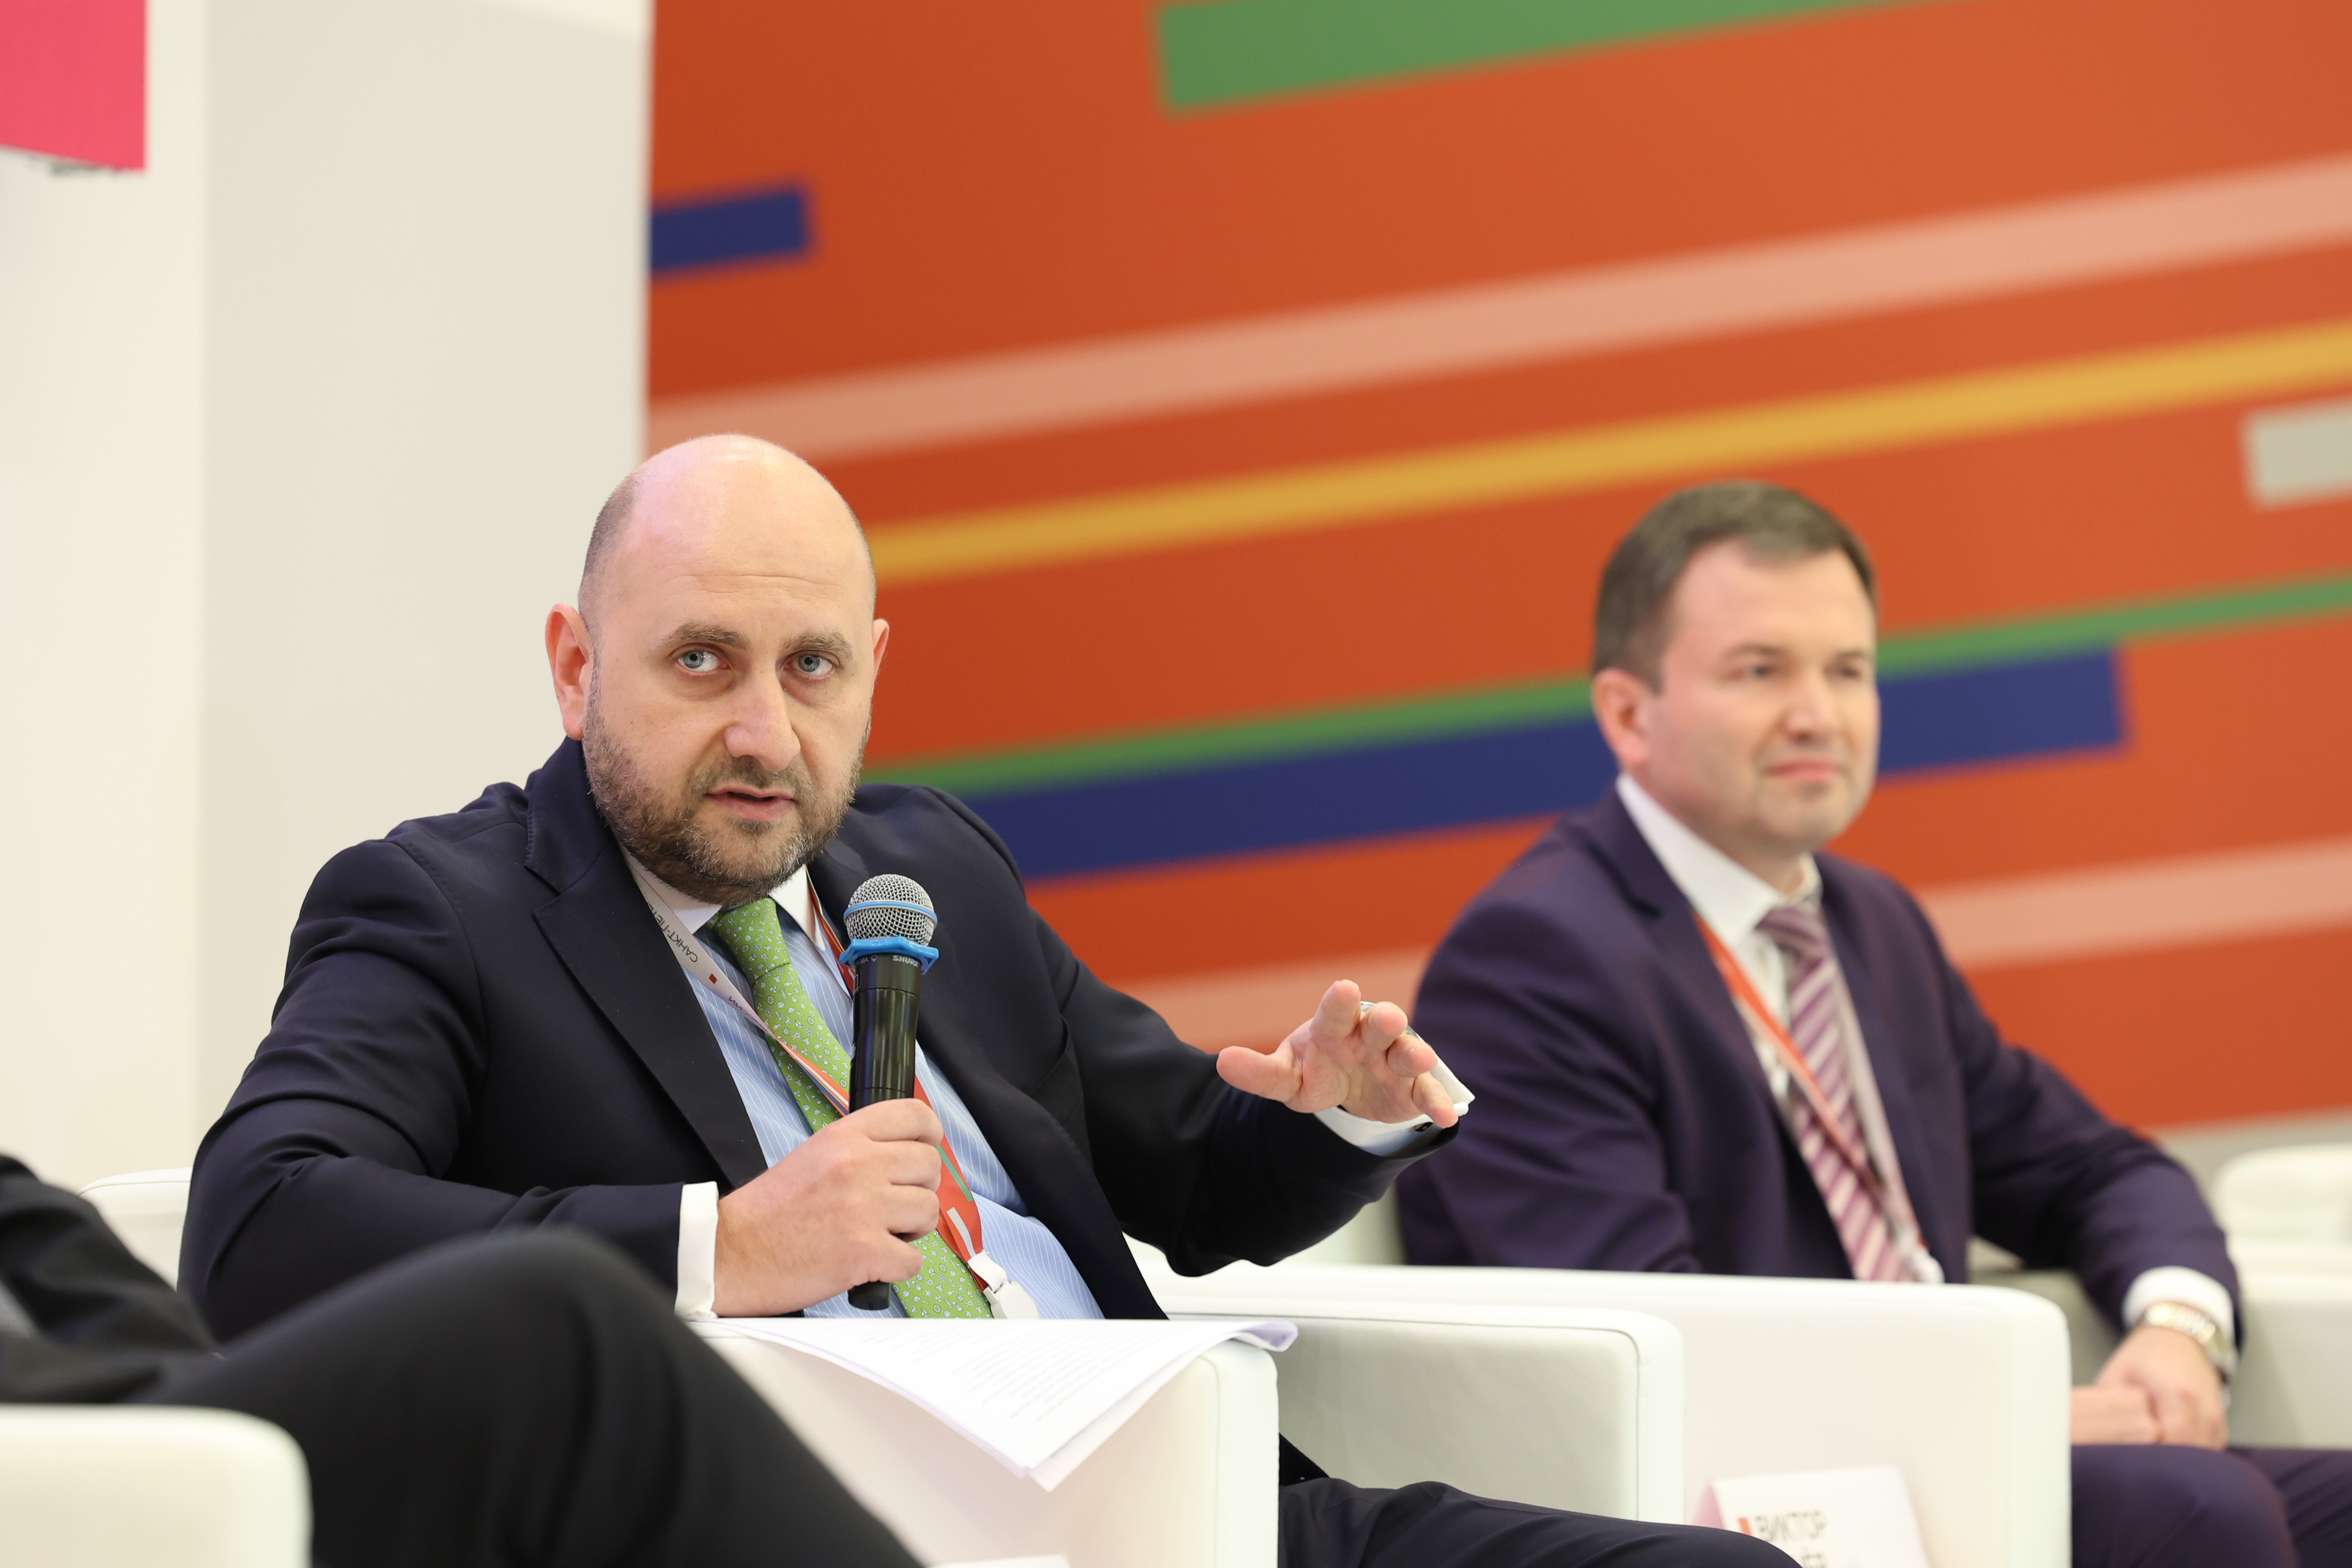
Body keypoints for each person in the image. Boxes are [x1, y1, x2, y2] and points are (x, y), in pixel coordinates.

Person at [181, 435, 1779, 1568]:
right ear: (575, 664)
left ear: (873, 667)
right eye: (701, 662)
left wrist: (1335, 1115)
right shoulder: (447, 909)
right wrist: (731, 1246)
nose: (765, 730)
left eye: (812, 668)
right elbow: (260, 1223)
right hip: (851, 1526)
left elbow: (1191, 1170)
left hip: (1195, 1510)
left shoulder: (925, 867)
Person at [1398, 479, 2352, 1566]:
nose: (1819, 714)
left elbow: (2096, 1169)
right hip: (1742, 1491)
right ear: (1627, 714)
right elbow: (1650, 1341)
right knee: (2200, 1509)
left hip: (1941, 1452)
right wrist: (1996, 1419)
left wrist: (2179, 1331)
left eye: (1848, 670)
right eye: (1760, 671)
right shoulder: (1535, 956)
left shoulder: (1868, 925)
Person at [0, 1153, 917, 1568]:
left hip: (134, 1425)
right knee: (554, 1333)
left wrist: (181, 1426)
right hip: (58, 1444)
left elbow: (41, 1238)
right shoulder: (431, 895)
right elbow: (264, 1215)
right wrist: (727, 1243)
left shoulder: (947, 874)